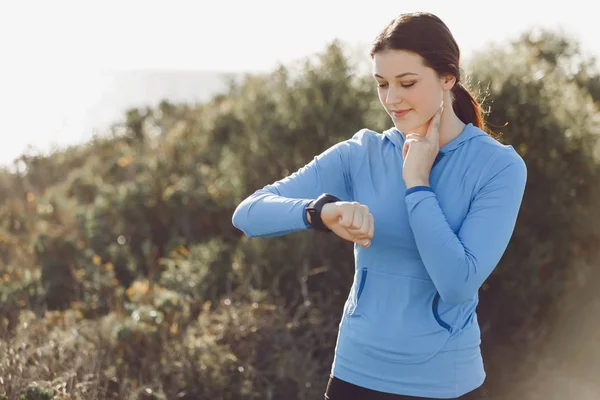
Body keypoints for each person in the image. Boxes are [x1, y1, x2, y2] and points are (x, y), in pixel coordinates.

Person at [232, 11, 527, 400]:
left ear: (447, 78)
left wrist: (417, 184)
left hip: (445, 384)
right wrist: (319, 212)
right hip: (355, 375)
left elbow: (457, 284)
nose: (391, 99)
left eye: (407, 83)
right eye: (382, 84)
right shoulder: (362, 153)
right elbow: (249, 213)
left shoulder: (498, 166)